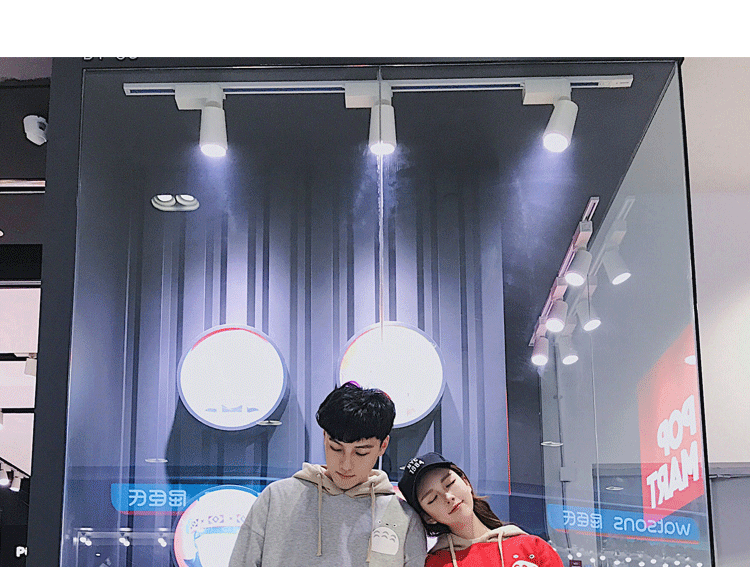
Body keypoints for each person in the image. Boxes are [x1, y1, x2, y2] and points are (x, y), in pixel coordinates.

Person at [229, 382, 427, 567]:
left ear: (383, 446)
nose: (346, 465)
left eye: (361, 452)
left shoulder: (404, 519)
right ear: (324, 437)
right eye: (336, 448)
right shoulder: (276, 498)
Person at [397, 453, 562, 567]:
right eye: (433, 499)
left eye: (449, 483)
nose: (448, 497)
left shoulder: (531, 547)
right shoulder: (434, 564)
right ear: (428, 517)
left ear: (466, 482)